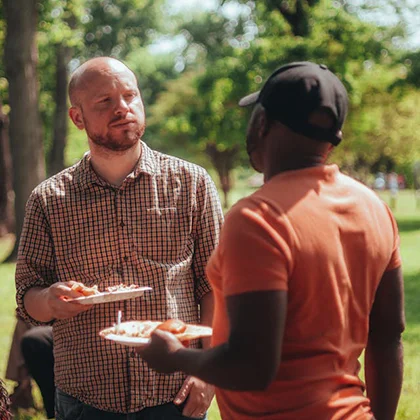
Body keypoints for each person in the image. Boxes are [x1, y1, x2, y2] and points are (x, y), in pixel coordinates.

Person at [137, 62, 405, 420]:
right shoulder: (374, 208)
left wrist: (174, 358)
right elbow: (388, 338)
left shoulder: (257, 218)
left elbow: (252, 366)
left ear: (262, 124)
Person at [15, 57, 223, 419]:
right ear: (77, 117)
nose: (123, 108)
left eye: (130, 96)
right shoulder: (49, 199)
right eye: (104, 102)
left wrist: (207, 369)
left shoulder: (191, 184)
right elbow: (26, 298)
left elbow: (217, 287)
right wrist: (49, 300)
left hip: (174, 396)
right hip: (85, 401)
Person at [21, 326, 55, 419]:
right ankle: (52, 414)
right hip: (40, 343)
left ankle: (51, 413)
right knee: (50, 384)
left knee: (45, 384)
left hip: (28, 340)